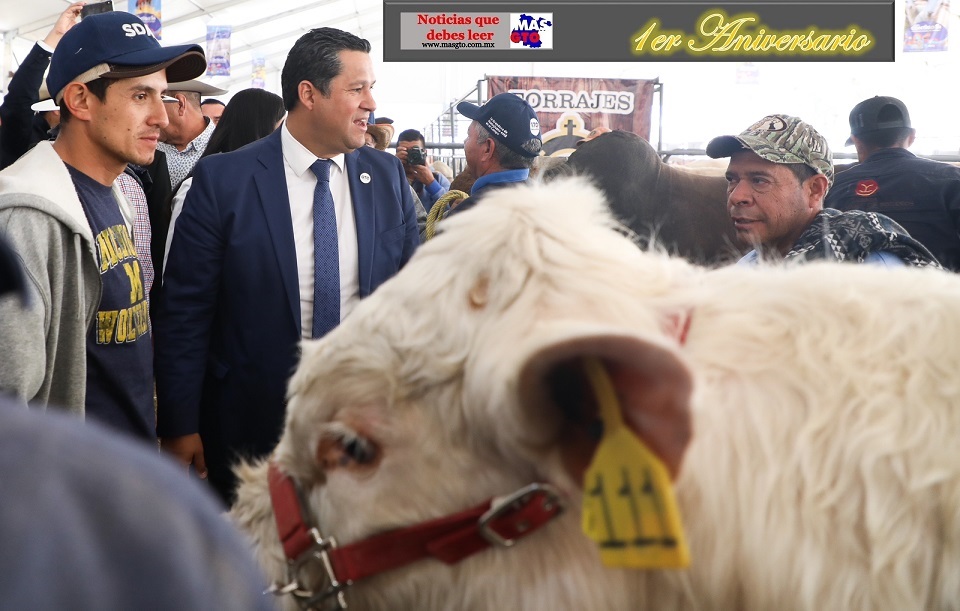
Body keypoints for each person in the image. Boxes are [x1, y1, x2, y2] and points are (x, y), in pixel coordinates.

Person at [155, 27, 420, 502]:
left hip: (363, 429)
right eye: (357, 89)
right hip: (249, 429)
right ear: (308, 94)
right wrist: (179, 423)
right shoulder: (225, 181)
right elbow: (184, 311)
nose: (371, 103)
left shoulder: (385, 177)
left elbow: (413, 300)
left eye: (371, 88)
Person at [0, 11, 206, 438]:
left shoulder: (113, 191)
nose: (161, 118)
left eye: (162, 96)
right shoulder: (26, 220)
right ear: (79, 101)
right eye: (139, 96)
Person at [706, 113, 941, 268]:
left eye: (760, 180)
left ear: (815, 190)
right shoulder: (748, 267)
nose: (736, 196)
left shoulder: (867, 270)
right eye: (732, 179)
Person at [824, 96, 960, 271]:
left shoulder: (829, 187)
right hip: (938, 293)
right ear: (911, 137)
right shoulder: (951, 178)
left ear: (856, 141)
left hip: (849, 294)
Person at [164, 87, 287, 271]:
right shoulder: (200, 188)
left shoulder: (273, 185)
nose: (286, 137)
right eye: (281, 127)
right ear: (258, 129)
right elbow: (178, 271)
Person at [0, 2, 82, 170]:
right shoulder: (23, 135)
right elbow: (20, 96)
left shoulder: (63, 139)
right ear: (55, 109)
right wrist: (53, 38)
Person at [449, 93, 543, 215]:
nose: (464, 142)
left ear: (487, 149)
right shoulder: (547, 206)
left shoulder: (467, 217)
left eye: (468, 135)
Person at [157, 79, 228, 189]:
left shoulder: (225, 148)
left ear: (180, 104)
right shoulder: (147, 146)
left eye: (157, 102)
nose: (149, 113)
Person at [395, 127, 450, 211]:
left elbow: (451, 208)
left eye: (415, 150)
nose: (411, 155)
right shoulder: (392, 177)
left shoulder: (438, 178)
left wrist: (431, 183)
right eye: (406, 151)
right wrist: (394, 166)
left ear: (425, 152)